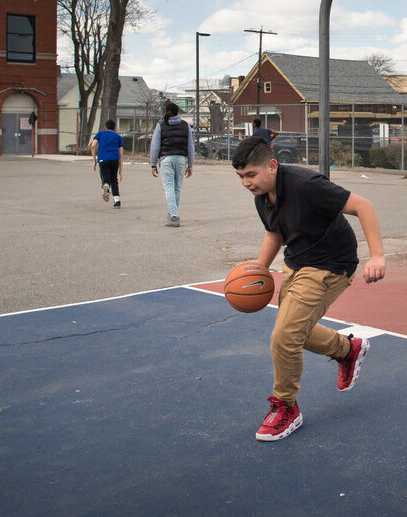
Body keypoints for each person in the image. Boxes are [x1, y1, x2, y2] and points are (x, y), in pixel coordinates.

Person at [231, 136, 386, 442]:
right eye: (240, 177)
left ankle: (287, 408)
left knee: (285, 336)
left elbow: (363, 206)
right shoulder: (262, 196)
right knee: (292, 332)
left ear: (272, 166)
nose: (246, 183)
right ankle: (347, 350)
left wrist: (378, 256)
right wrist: (260, 270)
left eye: (250, 175)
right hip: (297, 263)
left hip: (331, 264)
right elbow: (275, 233)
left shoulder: (306, 184)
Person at [150, 101, 194, 227]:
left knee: (169, 187)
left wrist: (153, 164)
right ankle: (173, 213)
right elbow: (190, 146)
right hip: (180, 159)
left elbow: (155, 146)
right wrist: (190, 164)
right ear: (178, 112)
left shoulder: (161, 125)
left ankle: (174, 216)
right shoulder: (185, 125)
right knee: (177, 188)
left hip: (166, 159)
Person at [90, 120, 124, 208]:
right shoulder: (118, 137)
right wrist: (120, 171)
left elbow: (93, 145)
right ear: (115, 128)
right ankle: (117, 201)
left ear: (105, 127)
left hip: (103, 159)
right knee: (114, 180)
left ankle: (106, 186)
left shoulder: (100, 134)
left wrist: (94, 160)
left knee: (106, 179)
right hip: (114, 159)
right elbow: (121, 154)